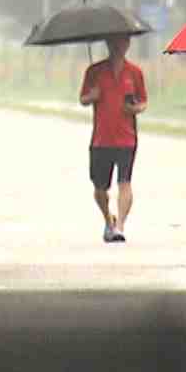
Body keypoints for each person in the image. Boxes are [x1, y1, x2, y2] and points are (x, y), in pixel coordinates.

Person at [78, 34, 148, 243]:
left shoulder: (134, 72)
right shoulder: (94, 71)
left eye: (122, 42)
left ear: (128, 44)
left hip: (127, 138)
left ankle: (120, 227)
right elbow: (83, 98)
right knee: (100, 188)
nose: (118, 46)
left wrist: (134, 108)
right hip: (101, 139)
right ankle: (109, 219)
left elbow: (143, 101)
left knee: (125, 182)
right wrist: (93, 96)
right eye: (114, 42)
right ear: (108, 44)